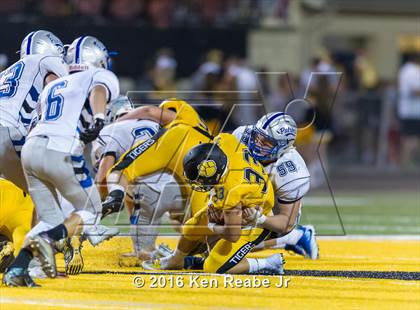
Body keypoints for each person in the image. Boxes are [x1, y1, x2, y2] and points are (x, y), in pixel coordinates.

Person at [3, 36, 120, 287]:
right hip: (52, 147)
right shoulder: (93, 76)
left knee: (49, 214)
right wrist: (99, 118)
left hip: (31, 145)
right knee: (88, 210)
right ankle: (43, 250)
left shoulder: (25, 75)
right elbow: (98, 91)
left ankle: (22, 267)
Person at [143, 138, 284, 274]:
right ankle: (176, 260)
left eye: (201, 181)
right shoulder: (226, 141)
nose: (199, 185)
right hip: (248, 194)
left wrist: (212, 225)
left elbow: (233, 235)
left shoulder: (230, 191)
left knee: (213, 266)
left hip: (254, 219)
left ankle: (268, 263)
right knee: (192, 226)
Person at [92, 96, 181, 262]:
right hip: (178, 185)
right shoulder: (156, 125)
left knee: (121, 179)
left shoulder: (110, 131)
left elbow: (103, 176)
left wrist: (96, 206)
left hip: (147, 191)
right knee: (186, 226)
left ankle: (147, 251)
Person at [232, 113, 318, 259]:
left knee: (230, 248)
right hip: (240, 191)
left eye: (266, 142)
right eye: (258, 137)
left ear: (282, 147)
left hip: (270, 211)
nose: (257, 143)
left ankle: (292, 237)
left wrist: (260, 219)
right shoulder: (241, 135)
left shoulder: (292, 172)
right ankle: (291, 240)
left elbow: (286, 223)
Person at [0, 30, 67, 192]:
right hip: (8, 131)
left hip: (6, 130)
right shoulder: (46, 61)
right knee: (51, 196)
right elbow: (56, 92)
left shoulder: (5, 74)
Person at [398, 54, 420, 166]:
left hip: (409, 110)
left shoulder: (405, 70)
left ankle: (406, 162)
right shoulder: (412, 71)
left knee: (409, 137)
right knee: (411, 138)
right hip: (412, 111)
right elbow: (415, 90)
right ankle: (405, 163)